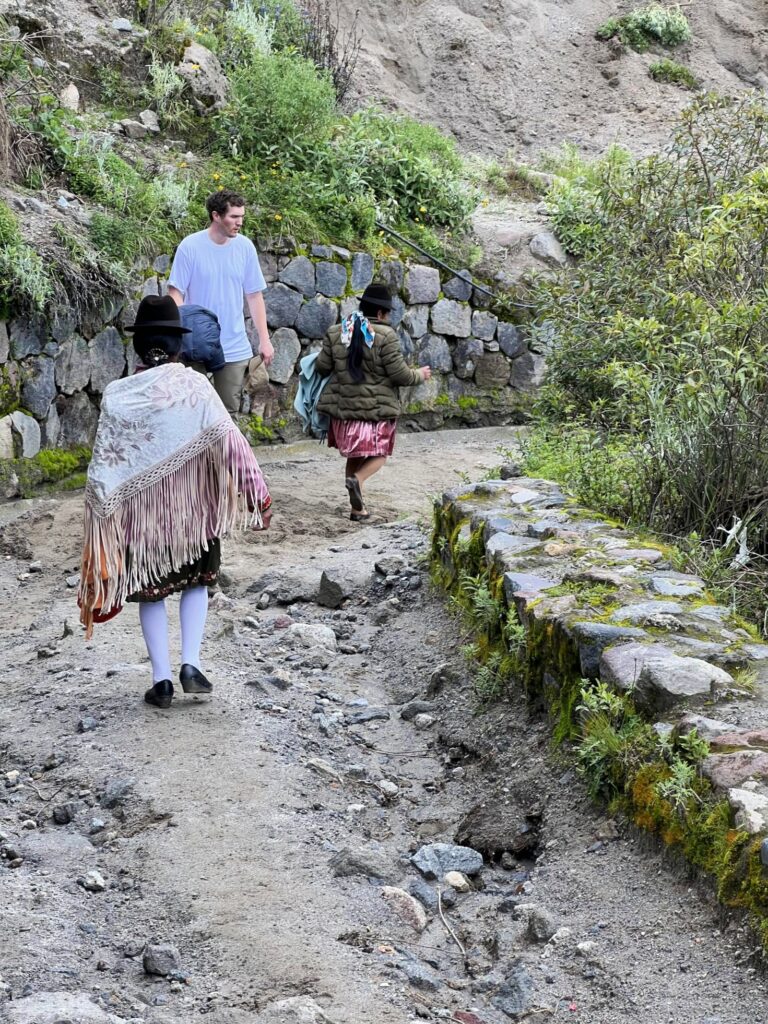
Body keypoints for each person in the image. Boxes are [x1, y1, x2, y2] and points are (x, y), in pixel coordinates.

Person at [78, 295, 272, 709]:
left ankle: (161, 680)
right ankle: (192, 664)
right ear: (178, 345)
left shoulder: (117, 395)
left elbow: (104, 470)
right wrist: (257, 494)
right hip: (194, 518)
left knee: (150, 595)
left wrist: (100, 525)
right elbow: (231, 444)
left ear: (138, 347)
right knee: (196, 586)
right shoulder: (195, 386)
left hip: (143, 526)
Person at [316, 283, 431, 521]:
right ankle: (357, 480)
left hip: (344, 411)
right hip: (376, 412)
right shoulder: (387, 336)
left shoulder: (337, 331)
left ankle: (357, 510)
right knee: (380, 453)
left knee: (354, 456)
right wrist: (420, 374)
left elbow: (322, 367)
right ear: (380, 313)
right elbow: (400, 375)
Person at [167, 189, 274, 415]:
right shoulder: (190, 246)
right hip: (194, 343)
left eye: (242, 217)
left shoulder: (245, 248)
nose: (240, 222)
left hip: (233, 346)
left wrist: (265, 340)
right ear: (216, 216)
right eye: (234, 217)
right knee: (191, 412)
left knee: (228, 414)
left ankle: (224, 453)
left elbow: (254, 296)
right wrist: (181, 336)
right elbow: (176, 293)